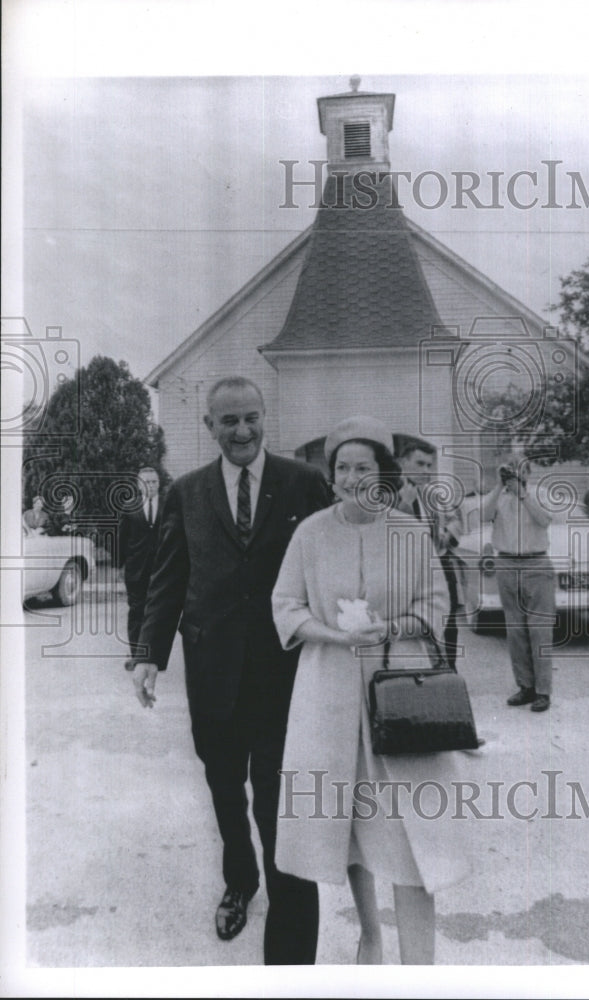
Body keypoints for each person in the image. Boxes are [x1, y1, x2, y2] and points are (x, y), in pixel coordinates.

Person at [130, 376, 329, 964]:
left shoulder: (304, 482)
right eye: (229, 421)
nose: (242, 431)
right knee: (224, 790)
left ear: (265, 416)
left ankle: (288, 946)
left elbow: (331, 566)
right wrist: (148, 654)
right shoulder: (187, 493)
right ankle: (240, 882)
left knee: (275, 801)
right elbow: (169, 580)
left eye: (251, 418)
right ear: (209, 427)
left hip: (283, 680)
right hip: (213, 678)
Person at [272, 416, 476, 965]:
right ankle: (369, 936)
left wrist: (388, 628)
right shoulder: (310, 532)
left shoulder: (409, 532)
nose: (352, 476)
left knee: (414, 832)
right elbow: (286, 607)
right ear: (331, 474)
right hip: (329, 692)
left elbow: (437, 606)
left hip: (399, 691)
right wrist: (335, 635)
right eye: (343, 466)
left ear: (383, 473)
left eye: (364, 466)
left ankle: (420, 967)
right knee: (350, 825)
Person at [482, 456, 555, 713]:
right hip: (507, 563)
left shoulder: (538, 494)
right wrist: (498, 486)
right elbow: (483, 514)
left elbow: (545, 520)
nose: (515, 474)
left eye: (519, 470)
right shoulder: (499, 496)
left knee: (540, 629)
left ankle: (543, 691)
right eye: (510, 470)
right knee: (515, 630)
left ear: (528, 472)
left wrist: (522, 493)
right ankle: (525, 686)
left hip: (536, 564)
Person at [398, 441, 463, 670]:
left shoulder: (433, 494)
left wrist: (447, 535)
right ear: (403, 463)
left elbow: (456, 518)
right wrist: (405, 504)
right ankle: (424, 668)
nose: (426, 470)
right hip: (408, 570)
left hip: (439, 562)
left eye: (429, 465)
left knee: (449, 618)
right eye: (420, 464)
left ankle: (449, 669)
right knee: (416, 618)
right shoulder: (390, 494)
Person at [118, 467, 163, 671]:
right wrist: (118, 565)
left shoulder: (168, 505)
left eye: (154, 482)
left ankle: (153, 655)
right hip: (136, 570)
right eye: (146, 482)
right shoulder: (129, 506)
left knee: (158, 612)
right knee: (137, 611)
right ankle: (136, 654)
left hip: (162, 570)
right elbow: (122, 539)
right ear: (139, 484)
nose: (151, 485)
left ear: (159, 483)